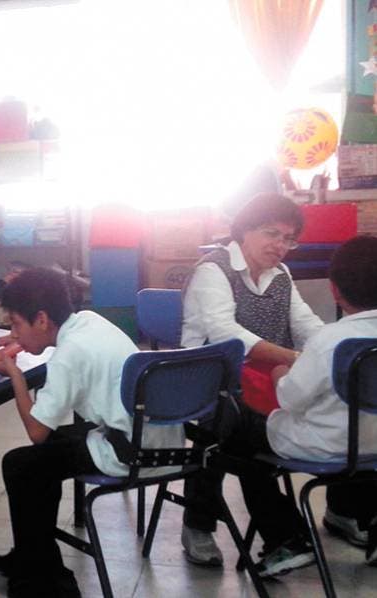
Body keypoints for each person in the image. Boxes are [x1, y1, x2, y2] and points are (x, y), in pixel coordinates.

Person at [0, 267, 184, 598]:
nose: (14, 334)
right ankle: (33, 555)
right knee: (46, 455)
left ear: (42, 319)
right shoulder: (89, 321)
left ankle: (40, 579)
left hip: (132, 452)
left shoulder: (68, 355)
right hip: (161, 438)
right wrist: (21, 341)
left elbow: (36, 431)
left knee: (20, 464)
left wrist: (16, 377)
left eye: (16, 324)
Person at [179, 193, 328, 566]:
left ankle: (335, 516)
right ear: (244, 230)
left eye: (288, 238)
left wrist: (334, 346)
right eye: (271, 233)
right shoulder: (213, 270)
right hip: (208, 379)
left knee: (335, 405)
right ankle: (199, 523)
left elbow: (306, 324)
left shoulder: (282, 275)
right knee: (227, 424)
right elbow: (225, 333)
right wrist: (293, 358)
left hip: (263, 379)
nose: (280, 245)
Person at [230, 235, 377, 574]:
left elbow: (290, 399)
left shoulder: (329, 340)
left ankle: (286, 538)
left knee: (237, 434)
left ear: (334, 290)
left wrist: (281, 373)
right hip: (372, 447)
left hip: (325, 446)